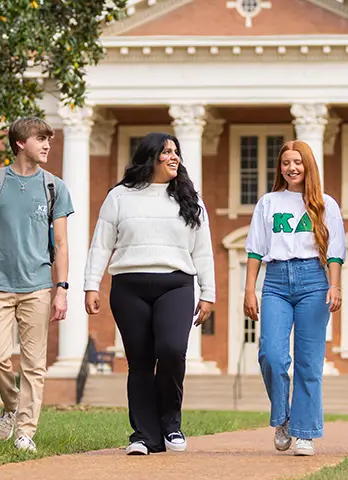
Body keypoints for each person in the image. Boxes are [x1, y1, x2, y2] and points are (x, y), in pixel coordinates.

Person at [83, 132, 215, 456]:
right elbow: (101, 243)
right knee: (140, 362)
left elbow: (204, 250)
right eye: (166, 152)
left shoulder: (190, 199)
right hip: (129, 286)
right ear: (150, 156)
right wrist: (90, 284)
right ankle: (144, 435)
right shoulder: (120, 197)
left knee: (171, 350)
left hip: (176, 282)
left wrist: (208, 292)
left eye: (176, 152)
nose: (174, 157)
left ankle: (170, 424)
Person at [0, 117, 74, 453]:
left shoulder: (54, 187)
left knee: (33, 364)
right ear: (20, 143)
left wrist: (62, 288)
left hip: (38, 286)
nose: (46, 145)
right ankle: (12, 405)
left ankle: (26, 431)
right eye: (40, 139)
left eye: (49, 140)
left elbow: (61, 242)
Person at [242, 139, 345, 457]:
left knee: (309, 362)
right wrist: (250, 289)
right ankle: (282, 419)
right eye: (286, 162)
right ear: (280, 168)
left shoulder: (326, 204)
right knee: (271, 355)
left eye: (297, 162)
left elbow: (336, 251)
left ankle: (305, 433)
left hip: (314, 280)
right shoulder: (268, 202)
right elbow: (256, 248)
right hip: (275, 282)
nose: (292, 167)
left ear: (308, 166)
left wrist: (334, 285)